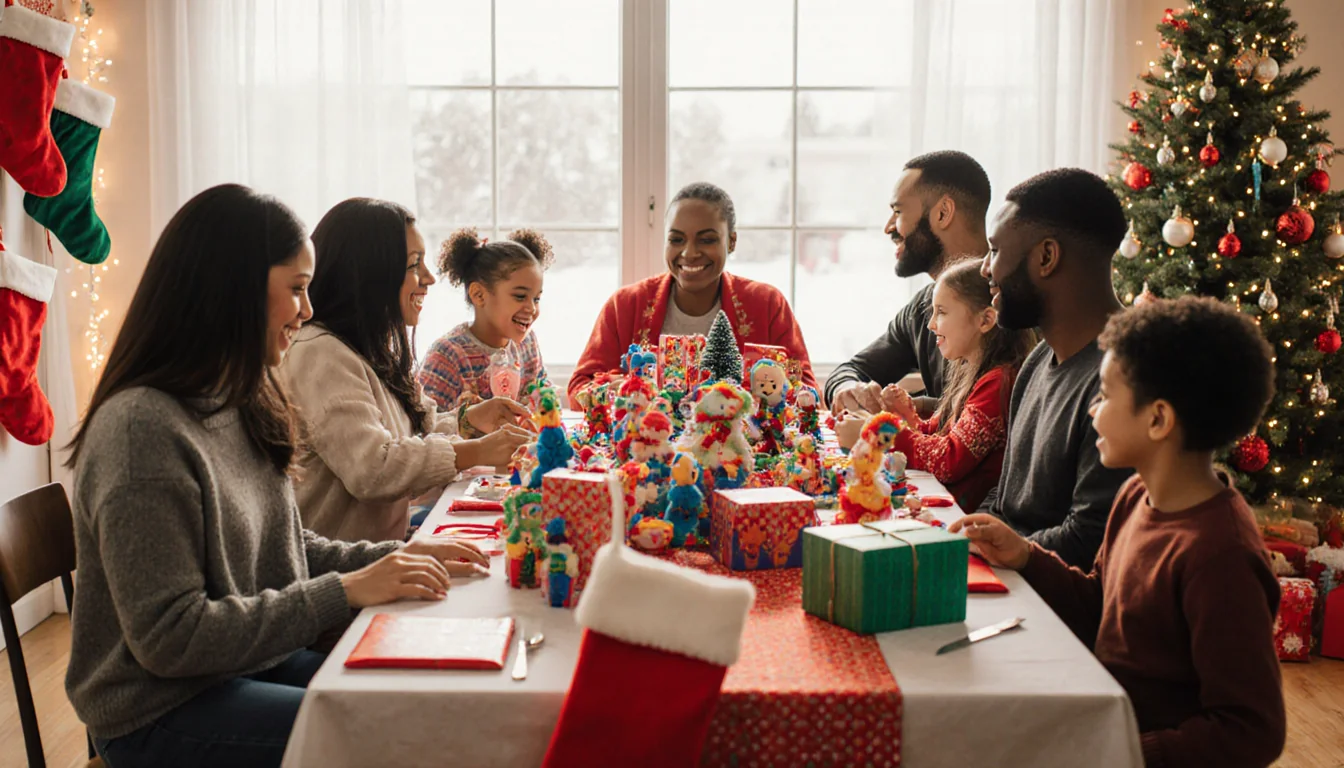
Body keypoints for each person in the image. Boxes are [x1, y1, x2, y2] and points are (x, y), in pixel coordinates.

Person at [63, 184, 490, 768]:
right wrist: (346, 590)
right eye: (296, 289)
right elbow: (171, 639)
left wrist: (396, 556)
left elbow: (290, 543)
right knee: (395, 734)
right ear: (233, 291)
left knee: (419, 699)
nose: (309, 311)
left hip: (246, 662)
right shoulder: (142, 430)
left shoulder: (240, 395)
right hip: (160, 712)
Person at [952, 296, 1285, 768]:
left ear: (1158, 419)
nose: (1092, 411)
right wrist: (1026, 555)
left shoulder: (1220, 554)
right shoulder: (1134, 496)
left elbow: (1251, 730)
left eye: (1105, 397)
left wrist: (1117, 751)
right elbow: (1100, 605)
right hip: (1101, 723)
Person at [284, 199, 533, 543]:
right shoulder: (320, 353)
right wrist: (476, 451)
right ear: (370, 272)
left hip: (384, 557)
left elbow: (417, 428)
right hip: (343, 574)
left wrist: (470, 420)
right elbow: (373, 469)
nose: (429, 278)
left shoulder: (371, 347)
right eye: (414, 264)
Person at [976, 167, 1135, 569]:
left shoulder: (1125, 380)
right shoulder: (1036, 361)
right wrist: (964, 535)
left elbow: (1090, 540)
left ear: (1046, 257)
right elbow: (1006, 500)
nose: (984, 269)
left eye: (995, 250)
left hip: (1056, 615)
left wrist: (997, 551)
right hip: (1008, 584)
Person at [569, 182, 816, 404]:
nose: (689, 253)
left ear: (731, 242)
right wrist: (622, 390)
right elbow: (579, 388)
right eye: (676, 240)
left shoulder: (767, 304)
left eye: (706, 240)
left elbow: (806, 390)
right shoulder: (625, 305)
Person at [826, 150, 992, 416]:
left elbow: (994, 417)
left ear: (943, 213)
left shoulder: (1013, 307)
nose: (889, 227)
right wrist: (848, 389)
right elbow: (851, 371)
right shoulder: (922, 309)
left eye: (898, 211)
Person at [867, 259, 1035, 511]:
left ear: (986, 320)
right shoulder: (975, 373)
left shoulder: (997, 382)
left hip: (964, 517)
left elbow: (948, 460)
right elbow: (937, 436)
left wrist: (883, 435)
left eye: (941, 312)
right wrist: (906, 417)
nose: (931, 324)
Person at [418, 227, 554, 409]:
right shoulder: (447, 355)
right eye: (520, 296)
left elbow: (541, 391)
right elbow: (425, 425)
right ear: (479, 295)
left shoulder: (528, 344)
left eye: (536, 299)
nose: (532, 308)